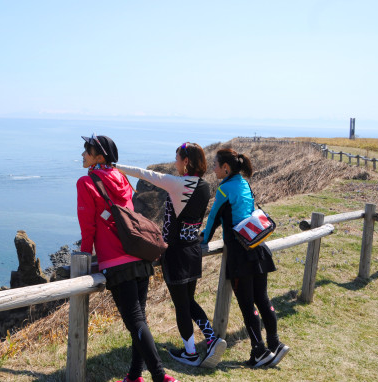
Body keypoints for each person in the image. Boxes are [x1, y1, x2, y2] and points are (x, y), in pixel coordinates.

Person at [77, 134, 180, 382]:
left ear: (99, 157)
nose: (82, 155)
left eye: (87, 151)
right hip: (138, 254)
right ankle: (135, 375)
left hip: (115, 260)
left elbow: (88, 225)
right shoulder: (121, 178)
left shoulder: (86, 182)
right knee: (139, 321)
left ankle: (160, 376)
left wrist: (84, 256)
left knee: (135, 322)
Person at [116, 142, 226, 368]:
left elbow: (146, 174)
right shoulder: (205, 186)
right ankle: (212, 339)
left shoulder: (179, 185)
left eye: (177, 159)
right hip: (193, 250)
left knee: (181, 306)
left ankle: (191, 353)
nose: (175, 163)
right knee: (188, 301)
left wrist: (115, 166)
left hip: (176, 254)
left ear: (186, 161)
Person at [200, 148, 290, 368]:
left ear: (226, 168)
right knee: (263, 299)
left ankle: (259, 351)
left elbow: (213, 219)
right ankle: (275, 344)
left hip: (240, 255)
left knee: (247, 305)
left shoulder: (224, 189)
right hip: (257, 247)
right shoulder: (243, 184)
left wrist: (202, 242)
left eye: (215, 164)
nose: (213, 168)